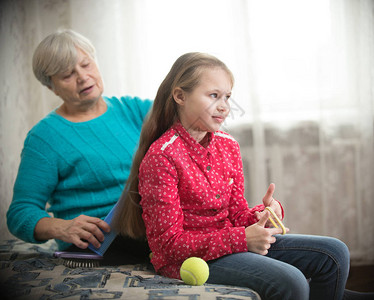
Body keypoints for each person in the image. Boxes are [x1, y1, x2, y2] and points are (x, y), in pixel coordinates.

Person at [112, 52, 373, 300]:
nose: (224, 107)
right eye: (214, 95)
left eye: (227, 97)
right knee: (292, 281)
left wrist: (264, 215)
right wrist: (241, 238)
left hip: (230, 242)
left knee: (334, 254)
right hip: (188, 260)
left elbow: (237, 215)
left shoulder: (228, 145)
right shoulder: (162, 158)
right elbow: (169, 245)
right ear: (180, 96)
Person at [6, 29, 152, 259]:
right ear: (51, 86)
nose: (83, 77)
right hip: (101, 240)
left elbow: (187, 119)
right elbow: (19, 213)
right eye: (67, 75)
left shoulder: (134, 109)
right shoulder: (45, 137)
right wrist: (62, 227)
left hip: (152, 224)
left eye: (86, 64)